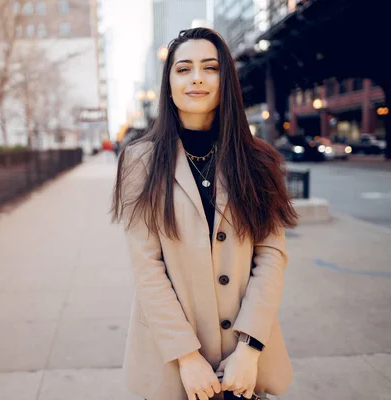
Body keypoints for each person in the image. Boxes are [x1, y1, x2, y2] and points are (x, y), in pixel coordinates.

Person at [110, 28, 298, 400]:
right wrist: (187, 357)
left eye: (209, 67)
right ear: (168, 85)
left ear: (224, 80)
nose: (196, 77)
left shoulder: (258, 160)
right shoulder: (139, 161)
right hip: (173, 360)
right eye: (183, 69)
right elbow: (147, 266)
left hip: (243, 362)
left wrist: (250, 347)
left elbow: (271, 255)